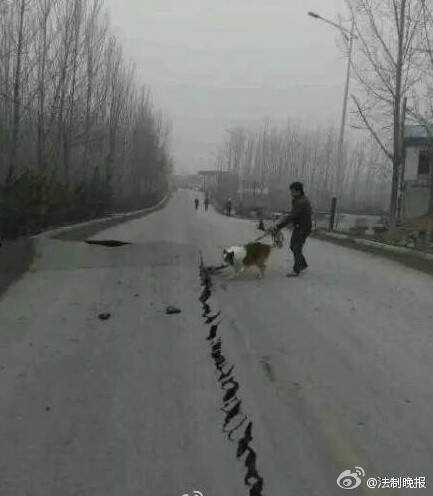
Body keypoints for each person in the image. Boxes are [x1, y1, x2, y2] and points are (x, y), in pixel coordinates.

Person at [268, 181, 312, 277]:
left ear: (298, 191)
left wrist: (278, 226)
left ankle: (296, 270)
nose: (291, 193)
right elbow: (292, 215)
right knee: (294, 246)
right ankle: (302, 264)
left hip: (303, 228)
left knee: (296, 247)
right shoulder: (297, 199)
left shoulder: (302, 202)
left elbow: (292, 216)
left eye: (292, 191)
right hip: (298, 227)